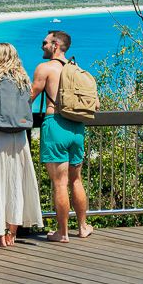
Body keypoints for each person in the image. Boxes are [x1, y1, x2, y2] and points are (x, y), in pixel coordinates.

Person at [31, 30, 94, 243]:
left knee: (59, 183)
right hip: (77, 127)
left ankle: (63, 232)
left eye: (45, 42)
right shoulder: (76, 69)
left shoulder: (45, 68)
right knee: (76, 180)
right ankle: (83, 226)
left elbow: (29, 97)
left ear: (55, 45)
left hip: (55, 123)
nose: (42, 46)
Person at [0, 43, 43, 247]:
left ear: (0, 58)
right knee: (16, 182)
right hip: (20, 136)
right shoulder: (23, 79)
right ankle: (11, 232)